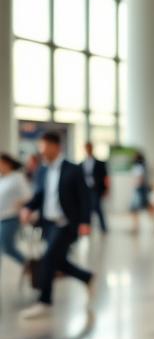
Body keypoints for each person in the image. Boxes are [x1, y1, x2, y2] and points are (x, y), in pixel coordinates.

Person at [17, 132, 94, 319]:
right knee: (58, 261)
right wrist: (28, 208)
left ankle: (44, 300)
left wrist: (85, 222)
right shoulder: (42, 171)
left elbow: (85, 198)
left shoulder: (72, 169)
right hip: (48, 224)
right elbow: (39, 196)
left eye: (45, 147)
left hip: (66, 223)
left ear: (56, 146)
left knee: (49, 258)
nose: (42, 151)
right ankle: (87, 277)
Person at [0, 154, 31, 269]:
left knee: (7, 246)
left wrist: (19, 204)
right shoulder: (2, 178)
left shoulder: (17, 177)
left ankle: (29, 265)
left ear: (7, 164)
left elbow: (28, 196)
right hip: (1, 217)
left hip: (11, 217)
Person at [81, 142, 109, 233]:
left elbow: (105, 177)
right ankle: (88, 226)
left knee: (97, 207)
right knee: (88, 208)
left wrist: (106, 189)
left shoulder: (100, 163)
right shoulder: (82, 164)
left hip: (95, 189)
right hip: (85, 189)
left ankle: (103, 227)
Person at [129, 151, 154, 232]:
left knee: (134, 208)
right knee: (145, 207)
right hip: (141, 190)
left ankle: (136, 226)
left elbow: (140, 179)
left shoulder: (139, 167)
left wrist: (136, 184)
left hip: (139, 190)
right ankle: (136, 226)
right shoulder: (142, 166)